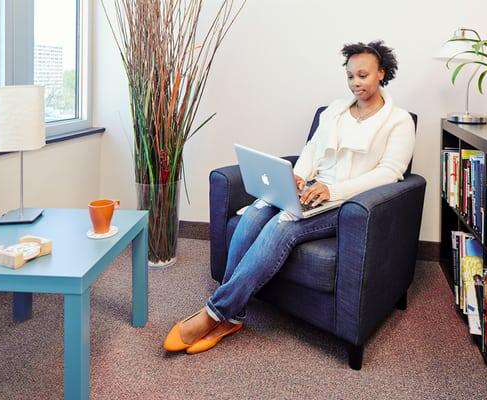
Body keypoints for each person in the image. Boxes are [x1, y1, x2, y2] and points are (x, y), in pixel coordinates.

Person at [163, 40, 416, 354]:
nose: (355, 83)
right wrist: (298, 175)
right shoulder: (335, 110)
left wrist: (332, 191)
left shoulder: (399, 121)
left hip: (346, 203)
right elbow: (311, 151)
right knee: (255, 212)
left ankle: (213, 314)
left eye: (362, 75)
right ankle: (233, 316)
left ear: (382, 73)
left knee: (282, 226)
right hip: (311, 190)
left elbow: (390, 173)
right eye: (350, 76)